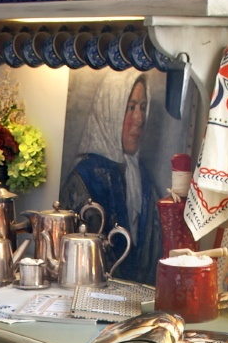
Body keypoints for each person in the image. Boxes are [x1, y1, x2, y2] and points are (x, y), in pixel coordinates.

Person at [60, 71, 163, 284]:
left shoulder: (144, 180)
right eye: (130, 108)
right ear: (110, 112)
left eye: (143, 108)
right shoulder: (85, 178)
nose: (139, 119)